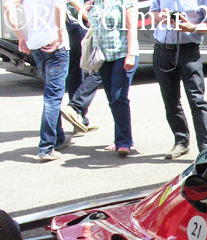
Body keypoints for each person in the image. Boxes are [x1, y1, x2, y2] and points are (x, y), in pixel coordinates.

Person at [149, 0, 207, 160]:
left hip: (189, 51)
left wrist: (192, 28)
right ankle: (181, 141)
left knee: (197, 100)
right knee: (170, 101)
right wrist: (162, 16)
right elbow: (153, 14)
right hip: (162, 50)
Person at [4, 0, 71, 161]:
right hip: (55, 45)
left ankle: (58, 138)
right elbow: (58, 6)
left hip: (36, 44)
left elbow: (7, 6)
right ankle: (46, 148)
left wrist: (21, 36)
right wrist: (60, 34)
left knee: (50, 92)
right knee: (53, 96)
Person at [88, 0, 139, 156]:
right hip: (103, 57)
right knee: (113, 99)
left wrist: (130, 54)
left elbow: (132, 26)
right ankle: (120, 138)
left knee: (118, 97)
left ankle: (124, 142)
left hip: (122, 54)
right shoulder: (96, 1)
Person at [61, 0, 102, 135]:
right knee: (98, 68)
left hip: (69, 26)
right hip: (79, 25)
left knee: (75, 72)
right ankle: (76, 109)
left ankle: (79, 118)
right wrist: (89, 18)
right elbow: (77, 4)